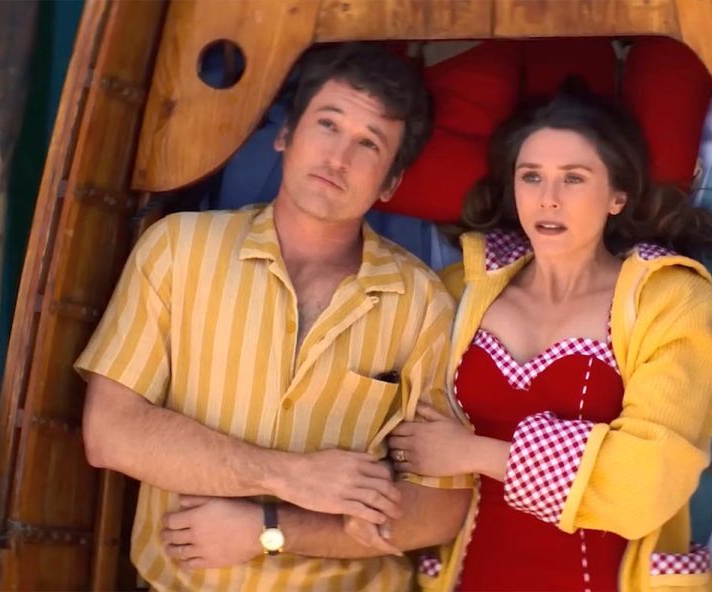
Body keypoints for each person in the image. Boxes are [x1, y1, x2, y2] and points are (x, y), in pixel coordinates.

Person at [76, 42, 473, 591]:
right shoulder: (177, 250)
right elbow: (110, 432)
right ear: (285, 134)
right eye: (328, 125)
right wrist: (290, 477)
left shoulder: (423, 304)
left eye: (368, 144)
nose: (338, 157)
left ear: (390, 183)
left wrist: (272, 528)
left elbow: (440, 509)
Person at [385, 85, 712, 591]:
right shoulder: (459, 291)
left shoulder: (675, 305)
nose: (548, 198)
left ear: (617, 196)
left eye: (574, 178)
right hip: (471, 577)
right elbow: (406, 435)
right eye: (531, 176)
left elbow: (645, 484)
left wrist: (475, 453)